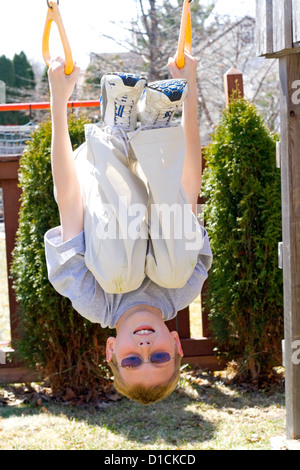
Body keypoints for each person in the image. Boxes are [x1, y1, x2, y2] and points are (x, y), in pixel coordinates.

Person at [44, 51, 212, 405]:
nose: (146, 348)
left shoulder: (94, 300)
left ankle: (117, 128)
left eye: (133, 360)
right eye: (160, 358)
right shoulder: (182, 288)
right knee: (176, 271)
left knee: (119, 275)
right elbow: (189, 190)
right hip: (157, 162)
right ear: (176, 344)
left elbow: (68, 199)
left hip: (98, 170)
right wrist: (189, 86)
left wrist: (58, 99)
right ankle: (159, 119)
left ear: (111, 350)